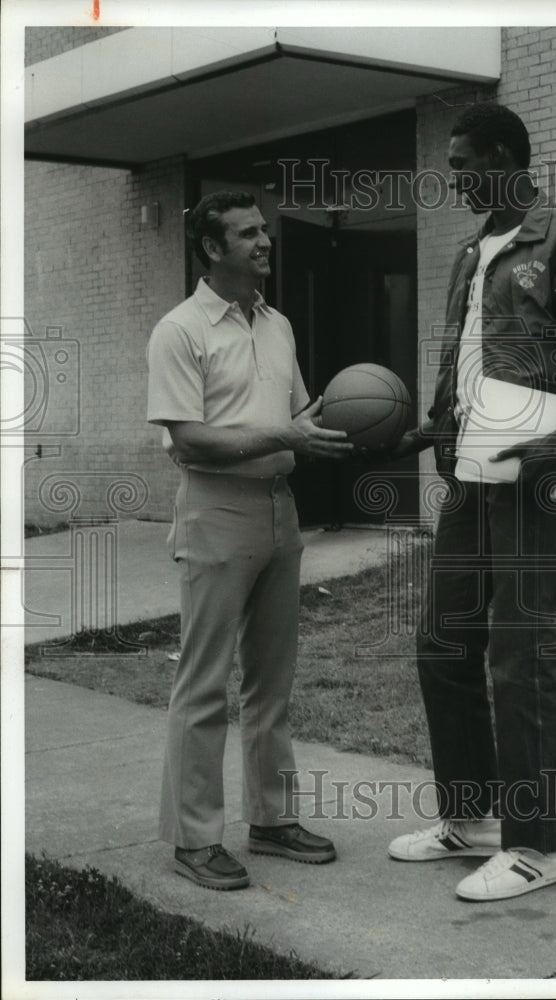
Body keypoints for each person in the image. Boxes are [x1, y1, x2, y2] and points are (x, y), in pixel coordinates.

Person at [385, 104, 556, 901]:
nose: (455, 177)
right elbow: (466, 361)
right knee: (443, 642)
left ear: (504, 157)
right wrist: (435, 427)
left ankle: (537, 846)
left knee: (521, 652)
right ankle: (471, 820)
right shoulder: (472, 254)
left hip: (534, 470)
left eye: (464, 163)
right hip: (471, 469)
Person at [146, 190, 354, 890]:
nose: (265, 242)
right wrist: (287, 434)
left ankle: (270, 819)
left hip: (277, 509)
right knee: (203, 684)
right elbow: (189, 436)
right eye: (247, 234)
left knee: (272, 681)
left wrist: (363, 426)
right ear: (212, 248)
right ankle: (193, 839)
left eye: (265, 231)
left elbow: (300, 415)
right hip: (215, 510)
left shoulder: (278, 325)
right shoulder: (179, 331)